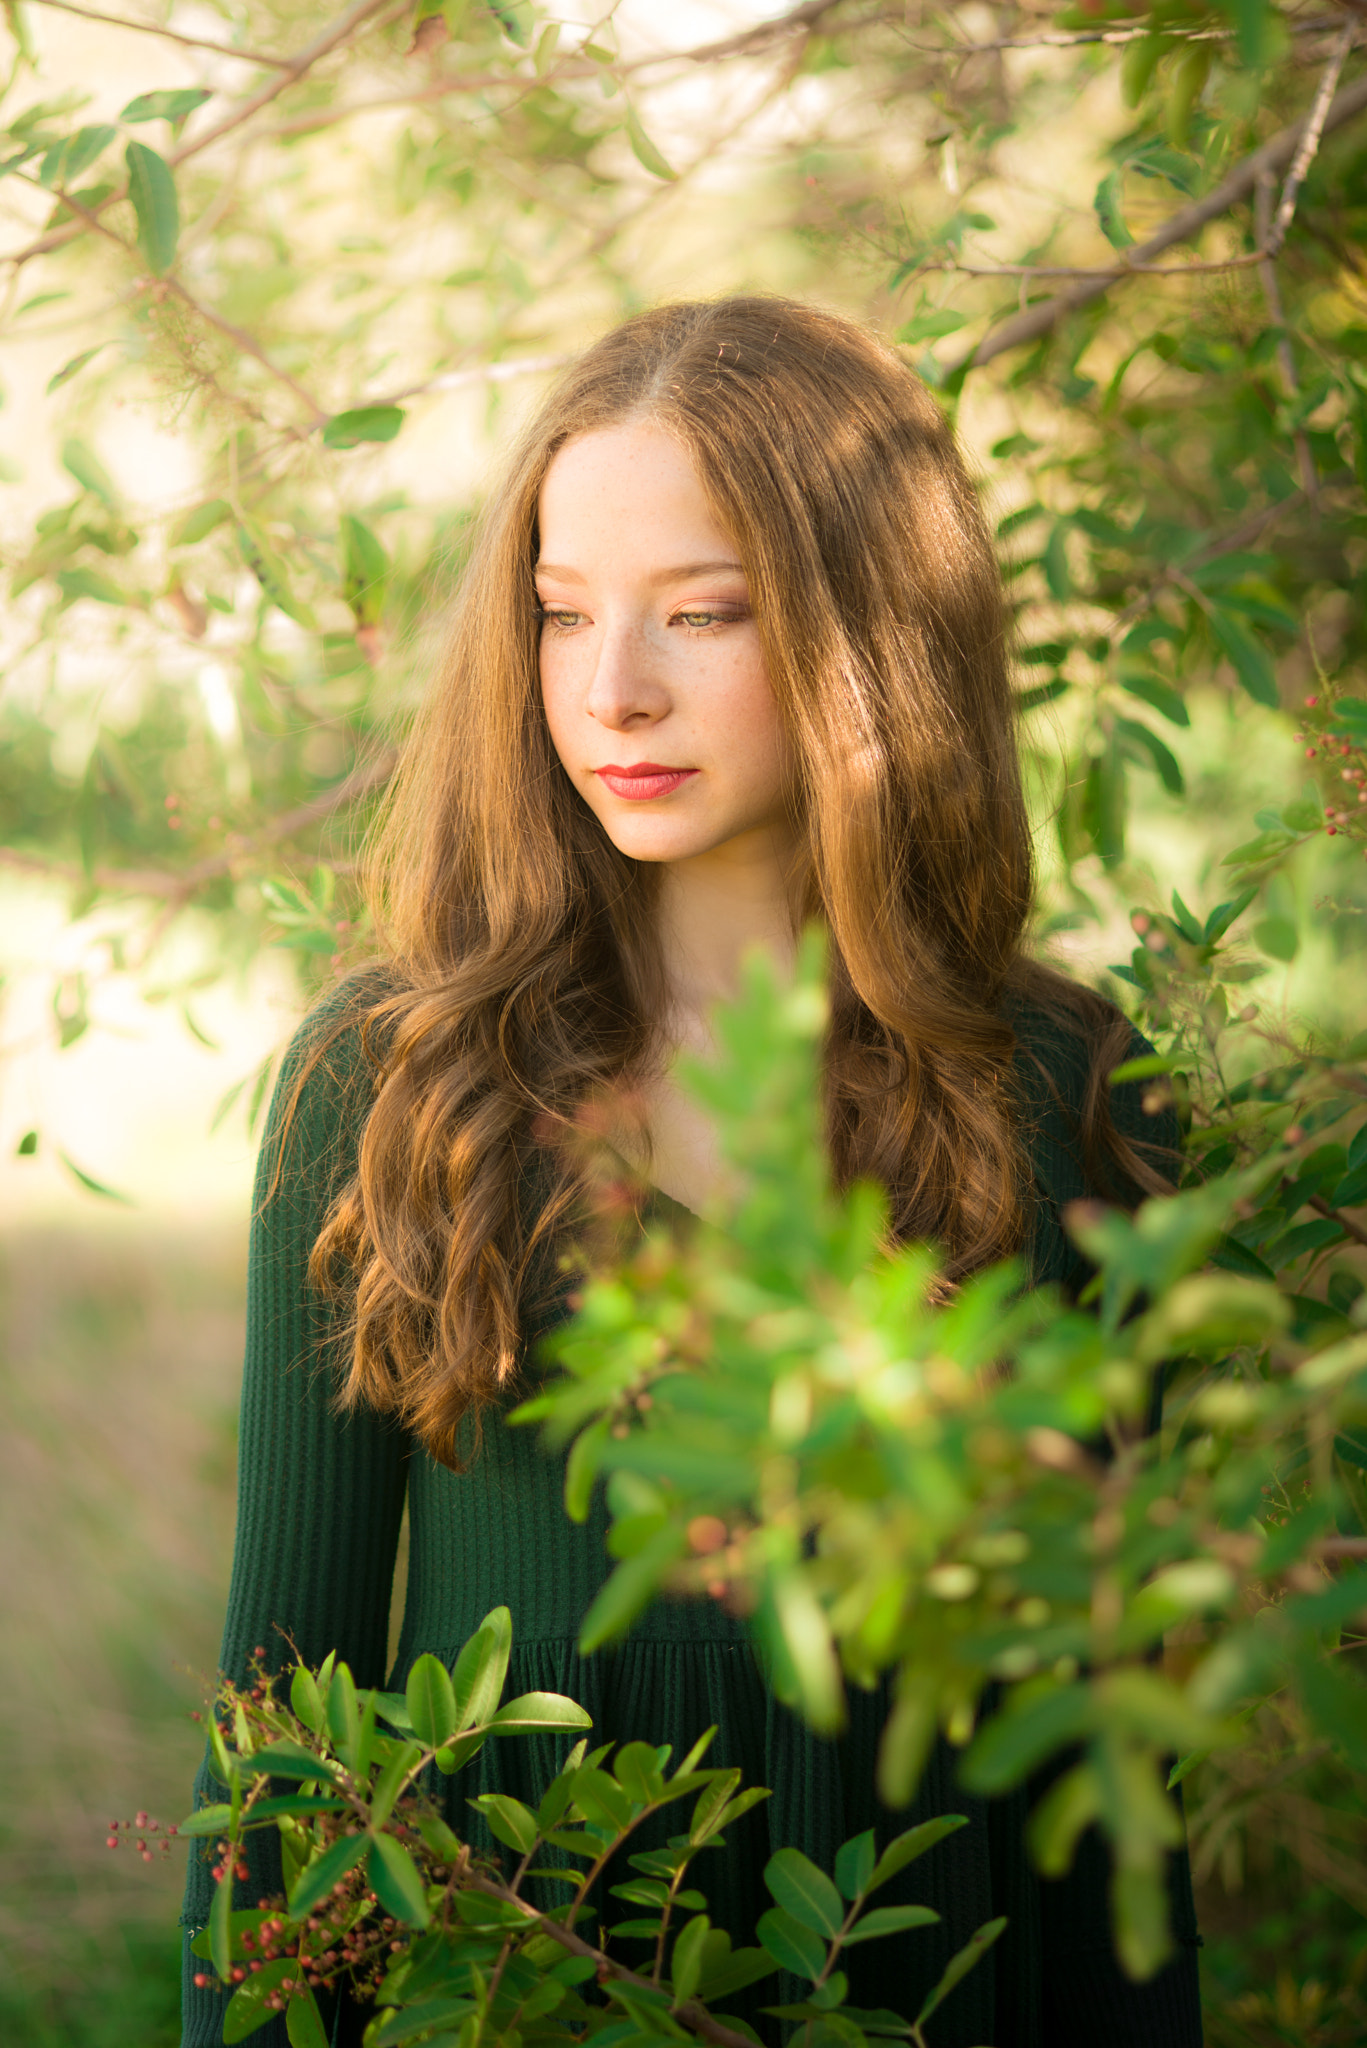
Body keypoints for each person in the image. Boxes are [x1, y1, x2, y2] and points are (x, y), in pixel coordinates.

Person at [181, 296, 1202, 2048]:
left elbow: (1113, 1782)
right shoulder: (393, 1087)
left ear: (869, 629)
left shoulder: (1076, 1093)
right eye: (563, 615)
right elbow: (285, 1737)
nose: (611, 691)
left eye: (702, 616)